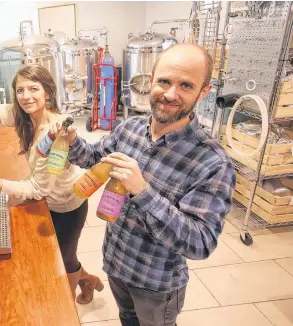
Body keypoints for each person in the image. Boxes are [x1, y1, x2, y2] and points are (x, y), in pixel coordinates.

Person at [49, 43, 236, 326]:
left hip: (156, 284)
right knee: (127, 319)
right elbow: (93, 158)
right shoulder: (129, 129)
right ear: (150, 82)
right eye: (164, 81)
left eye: (186, 85)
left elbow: (200, 243)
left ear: (203, 91)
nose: (171, 94)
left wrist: (143, 192)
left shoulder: (212, 163)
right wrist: (72, 141)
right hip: (116, 263)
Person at [0, 64, 104, 304]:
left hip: (67, 206)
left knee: (65, 258)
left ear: (48, 92)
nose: (26, 96)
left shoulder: (56, 132)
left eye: (34, 88)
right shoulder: (25, 116)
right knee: (60, 254)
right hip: (49, 201)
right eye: (20, 90)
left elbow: (38, 189)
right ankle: (89, 280)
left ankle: (79, 290)